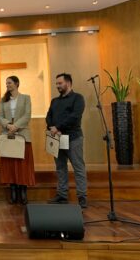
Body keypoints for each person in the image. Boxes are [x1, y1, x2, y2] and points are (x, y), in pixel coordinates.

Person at [46, 73, 87, 209]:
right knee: (60, 168)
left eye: (60, 83)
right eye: (56, 83)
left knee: (78, 168)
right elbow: (49, 116)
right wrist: (52, 127)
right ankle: (62, 195)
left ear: (68, 83)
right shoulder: (55, 101)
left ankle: (82, 197)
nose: (57, 86)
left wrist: (58, 127)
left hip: (73, 138)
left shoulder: (78, 98)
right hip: (57, 138)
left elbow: (75, 116)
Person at [0, 76, 35, 205]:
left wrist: (16, 126)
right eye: (6, 83)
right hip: (8, 133)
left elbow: (27, 114)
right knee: (10, 164)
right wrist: (8, 125)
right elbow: (0, 116)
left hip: (22, 133)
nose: (7, 85)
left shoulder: (26, 98)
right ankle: (13, 190)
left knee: (22, 164)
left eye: (9, 83)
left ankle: (23, 191)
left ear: (17, 83)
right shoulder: (3, 100)